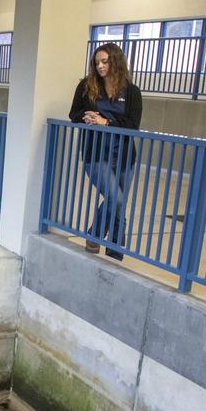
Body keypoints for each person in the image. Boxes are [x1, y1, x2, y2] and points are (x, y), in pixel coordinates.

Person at [68, 42, 143, 261]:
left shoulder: (131, 91)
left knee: (118, 205)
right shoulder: (86, 86)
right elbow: (73, 114)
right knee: (116, 199)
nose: (100, 66)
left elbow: (132, 124)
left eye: (105, 61)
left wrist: (106, 122)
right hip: (96, 154)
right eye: (97, 62)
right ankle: (95, 235)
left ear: (115, 62)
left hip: (124, 156)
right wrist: (88, 117)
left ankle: (115, 251)